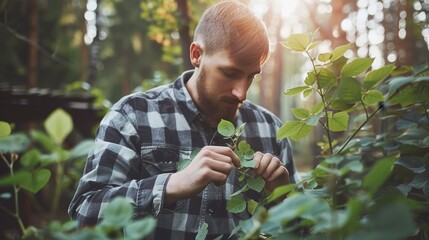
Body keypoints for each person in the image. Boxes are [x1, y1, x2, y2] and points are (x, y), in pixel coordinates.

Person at [68, 1, 297, 239]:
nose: (242, 93)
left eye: (251, 76)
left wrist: (283, 196)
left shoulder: (270, 130)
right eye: (230, 73)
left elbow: (307, 229)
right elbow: (84, 211)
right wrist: (170, 186)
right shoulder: (132, 116)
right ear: (196, 55)